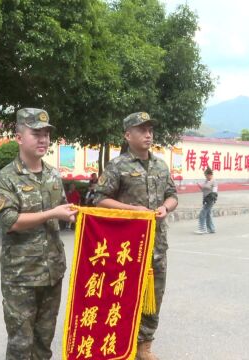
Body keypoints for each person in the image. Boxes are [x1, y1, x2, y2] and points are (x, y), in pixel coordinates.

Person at [0, 108, 77, 359]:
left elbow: (64, 211)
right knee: (20, 344)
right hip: (21, 276)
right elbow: (9, 221)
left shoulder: (52, 175)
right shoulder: (6, 178)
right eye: (36, 133)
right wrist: (53, 213)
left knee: (43, 342)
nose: (43, 140)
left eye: (47, 134)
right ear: (19, 137)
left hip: (52, 272)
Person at [94, 111, 178, 360]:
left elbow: (173, 195)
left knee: (155, 296)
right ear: (127, 135)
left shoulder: (161, 165)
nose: (148, 134)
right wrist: (132, 211)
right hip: (127, 248)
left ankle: (145, 345)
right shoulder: (118, 166)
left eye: (150, 130)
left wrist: (166, 207)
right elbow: (99, 199)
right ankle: (121, 344)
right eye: (142, 130)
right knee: (123, 295)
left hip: (157, 245)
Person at [195, 168, 217, 234]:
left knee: (202, 213)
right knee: (208, 214)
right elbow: (204, 190)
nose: (206, 177)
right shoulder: (206, 181)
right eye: (205, 176)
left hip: (209, 200)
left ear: (210, 174)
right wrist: (199, 186)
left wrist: (212, 199)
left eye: (206, 175)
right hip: (205, 199)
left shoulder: (214, 181)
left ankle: (202, 229)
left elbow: (215, 192)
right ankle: (211, 229)